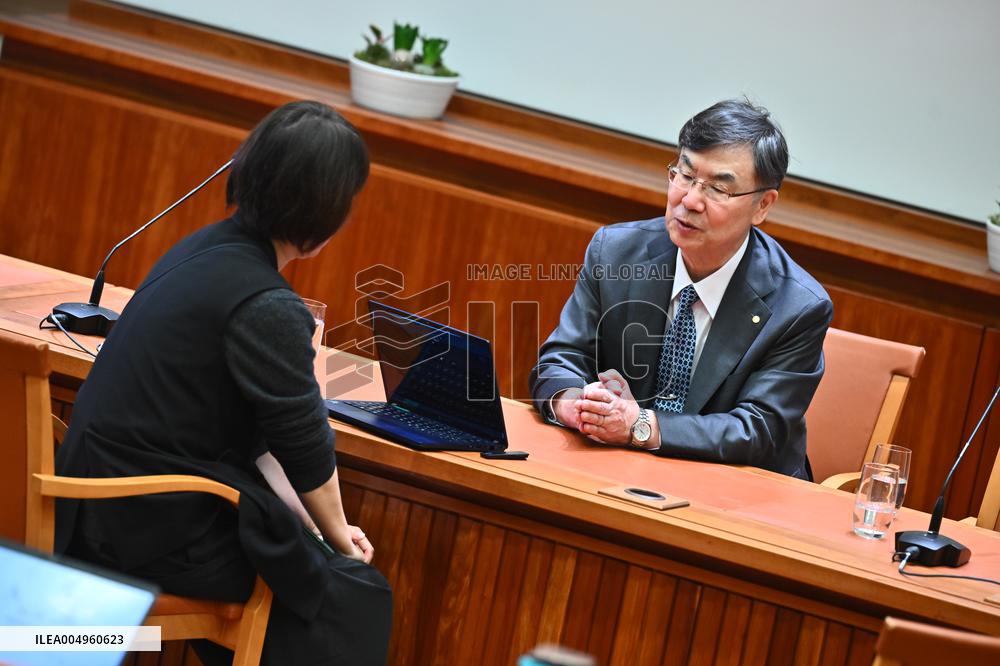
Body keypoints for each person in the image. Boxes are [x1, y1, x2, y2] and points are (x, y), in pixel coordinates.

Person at [55, 101, 392, 665]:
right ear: (326, 214)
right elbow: (305, 447)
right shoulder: (268, 305)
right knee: (351, 594)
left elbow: (260, 439)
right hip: (141, 520)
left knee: (307, 562)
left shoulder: (202, 245)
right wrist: (338, 538)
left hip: (94, 497)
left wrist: (319, 526)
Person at [530, 99, 832, 479]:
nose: (689, 200)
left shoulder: (799, 306)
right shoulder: (616, 252)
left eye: (718, 189)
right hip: (618, 471)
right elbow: (562, 356)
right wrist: (573, 403)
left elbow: (758, 430)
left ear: (762, 206)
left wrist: (641, 426)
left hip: (737, 490)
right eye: (684, 176)